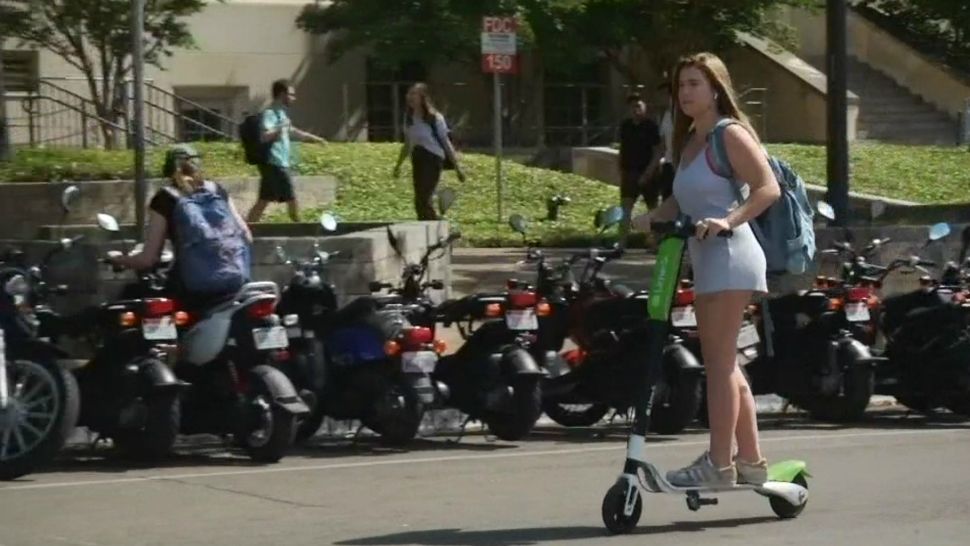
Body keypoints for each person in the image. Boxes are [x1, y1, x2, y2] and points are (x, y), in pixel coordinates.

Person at [632, 52, 781, 488]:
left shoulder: (728, 134)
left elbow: (767, 188)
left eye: (694, 84)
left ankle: (719, 464)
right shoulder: (689, 140)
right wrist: (650, 217)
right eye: (681, 85)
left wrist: (727, 220)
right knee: (725, 363)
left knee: (718, 365)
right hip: (705, 259)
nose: (685, 93)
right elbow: (683, 200)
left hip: (732, 254)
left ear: (716, 89)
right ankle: (750, 460)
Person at [109, 144, 253, 305]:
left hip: (194, 290)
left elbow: (148, 260)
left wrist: (119, 259)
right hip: (236, 283)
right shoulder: (218, 191)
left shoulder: (166, 198)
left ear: (168, 170)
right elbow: (246, 236)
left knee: (136, 296)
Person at [247, 79, 327, 224]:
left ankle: (247, 227)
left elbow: (293, 131)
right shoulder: (270, 113)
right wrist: (280, 127)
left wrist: (316, 139)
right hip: (275, 162)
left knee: (264, 200)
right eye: (291, 95)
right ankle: (300, 227)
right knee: (291, 197)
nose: (294, 98)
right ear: (282, 94)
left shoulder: (281, 114)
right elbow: (264, 136)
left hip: (276, 163)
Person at [392, 83, 465, 220]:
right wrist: (398, 165)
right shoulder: (409, 118)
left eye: (413, 94)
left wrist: (458, 168)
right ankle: (426, 224)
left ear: (422, 97)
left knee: (425, 197)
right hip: (417, 158)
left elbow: (446, 142)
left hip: (433, 158)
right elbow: (407, 144)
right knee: (419, 200)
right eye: (409, 94)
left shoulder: (434, 118)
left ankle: (434, 224)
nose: (409, 97)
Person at [617, 92, 662, 247]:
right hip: (629, 172)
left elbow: (658, 151)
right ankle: (621, 243)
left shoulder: (651, 126)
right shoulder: (625, 126)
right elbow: (622, 149)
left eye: (638, 106)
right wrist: (620, 169)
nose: (635, 109)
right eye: (632, 106)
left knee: (652, 209)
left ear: (645, 107)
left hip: (648, 173)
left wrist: (648, 172)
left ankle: (655, 242)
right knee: (625, 208)